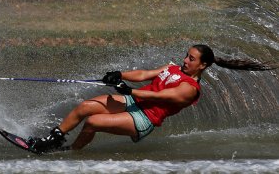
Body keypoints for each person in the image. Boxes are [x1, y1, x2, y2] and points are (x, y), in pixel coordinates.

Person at [28, 44, 276, 153]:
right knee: (85, 107)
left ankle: (72, 152)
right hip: (136, 102)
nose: (185, 60)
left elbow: (159, 95)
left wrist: (129, 90)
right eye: (186, 56)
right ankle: (53, 139)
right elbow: (146, 74)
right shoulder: (175, 69)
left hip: (145, 117)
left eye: (191, 59)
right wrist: (120, 74)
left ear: (203, 65)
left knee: (93, 122)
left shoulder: (190, 88)